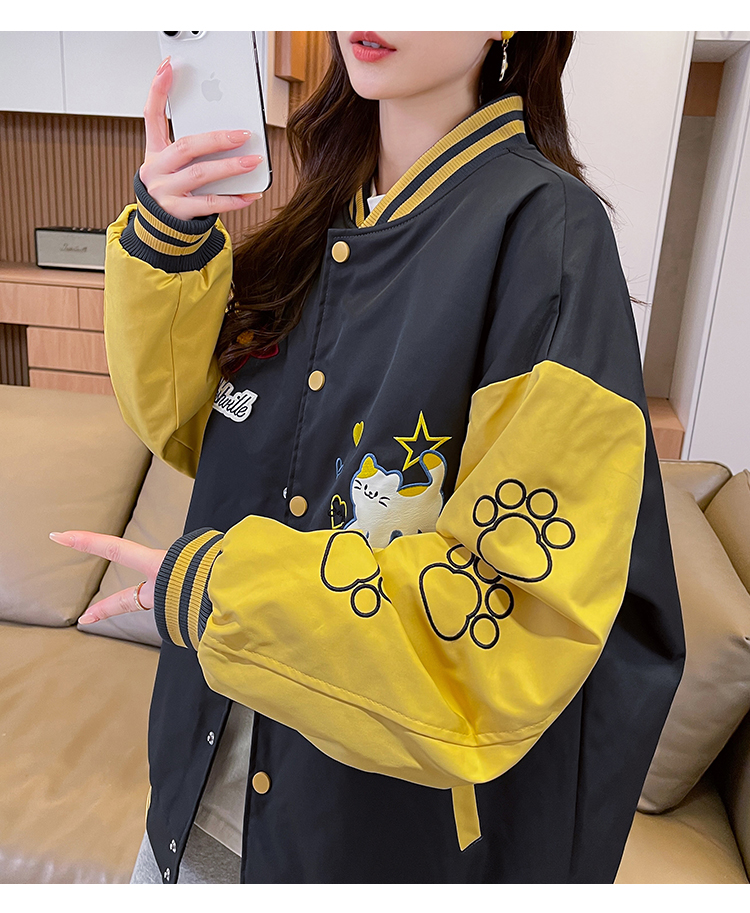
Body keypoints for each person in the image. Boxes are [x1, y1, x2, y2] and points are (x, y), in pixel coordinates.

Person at [49, 31, 685, 883]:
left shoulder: (550, 235)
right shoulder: (324, 217)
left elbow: (515, 610)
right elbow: (199, 431)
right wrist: (171, 239)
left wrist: (225, 590)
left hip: (368, 844)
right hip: (188, 811)